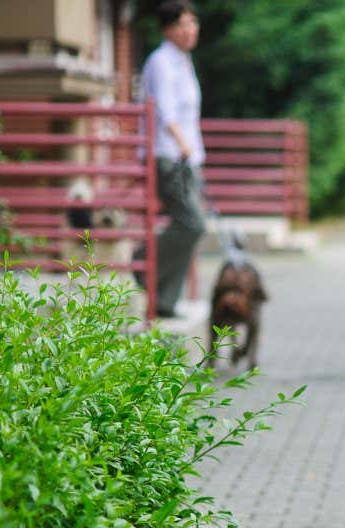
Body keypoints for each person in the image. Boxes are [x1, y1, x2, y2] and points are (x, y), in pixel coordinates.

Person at [141, 0, 205, 318]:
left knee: (193, 226)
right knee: (192, 223)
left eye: (192, 23)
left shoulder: (183, 60)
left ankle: (166, 300)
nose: (189, 30)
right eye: (181, 24)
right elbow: (164, 108)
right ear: (168, 29)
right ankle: (143, 261)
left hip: (188, 158)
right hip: (169, 156)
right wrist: (182, 143)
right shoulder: (161, 61)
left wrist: (194, 151)